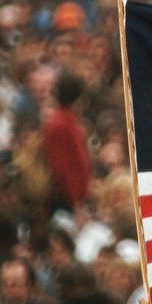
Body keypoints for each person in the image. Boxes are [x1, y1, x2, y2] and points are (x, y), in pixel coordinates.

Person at [43, 74, 91, 211]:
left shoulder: (67, 120)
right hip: (67, 199)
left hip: (74, 195)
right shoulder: (60, 124)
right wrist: (75, 200)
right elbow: (62, 167)